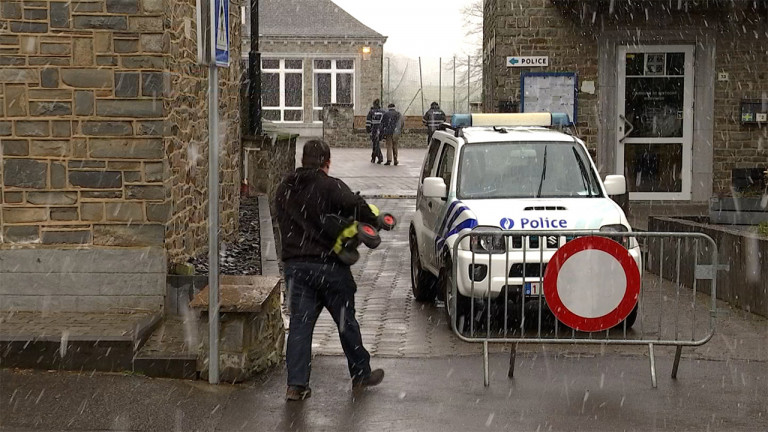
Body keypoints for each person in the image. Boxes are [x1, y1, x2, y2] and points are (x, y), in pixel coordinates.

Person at [275, 139, 385, 401]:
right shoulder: (329, 186)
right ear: (326, 162)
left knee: (300, 326)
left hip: (296, 268)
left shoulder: (284, 188)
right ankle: (360, 374)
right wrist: (372, 221)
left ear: (303, 160)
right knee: (346, 321)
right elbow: (356, 204)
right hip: (330, 268)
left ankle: (296, 385)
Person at [365, 99, 385, 164]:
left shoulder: (371, 112)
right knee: (376, 143)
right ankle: (373, 157)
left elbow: (368, 122)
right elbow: (385, 121)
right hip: (381, 129)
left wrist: (368, 130)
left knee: (375, 144)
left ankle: (379, 157)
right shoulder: (382, 112)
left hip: (374, 129)